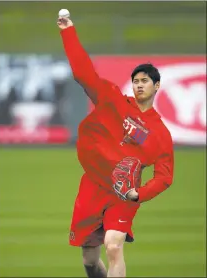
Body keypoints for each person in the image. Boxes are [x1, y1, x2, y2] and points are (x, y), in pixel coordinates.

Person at [57, 14, 174, 278]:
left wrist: (139, 194)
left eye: (145, 81)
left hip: (125, 190)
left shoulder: (160, 133)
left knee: (113, 246)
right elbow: (83, 73)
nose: (139, 85)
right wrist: (68, 32)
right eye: (136, 81)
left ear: (156, 86)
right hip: (94, 184)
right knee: (89, 260)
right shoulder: (113, 100)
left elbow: (165, 176)